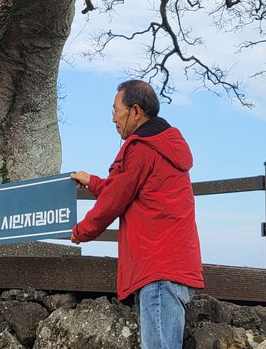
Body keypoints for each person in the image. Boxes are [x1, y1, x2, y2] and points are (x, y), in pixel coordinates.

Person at [70, 79, 204, 349]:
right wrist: (93, 182)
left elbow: (114, 201)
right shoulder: (164, 146)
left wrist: (79, 231)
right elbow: (127, 189)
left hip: (156, 271)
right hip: (173, 267)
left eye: (114, 110)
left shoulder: (141, 147)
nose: (113, 119)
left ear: (135, 111)